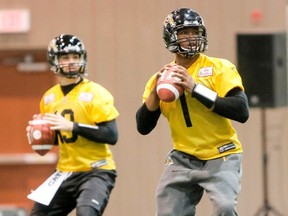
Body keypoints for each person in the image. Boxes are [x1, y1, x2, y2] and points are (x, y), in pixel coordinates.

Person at [136, 8, 249, 216]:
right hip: (183, 156)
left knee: (224, 207)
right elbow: (143, 127)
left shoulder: (219, 68)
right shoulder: (160, 78)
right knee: (168, 212)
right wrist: (154, 93)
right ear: (171, 36)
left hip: (221, 153)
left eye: (194, 31)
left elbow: (242, 110)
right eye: (184, 32)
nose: (191, 37)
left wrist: (195, 89)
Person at [27, 34, 119, 216]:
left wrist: (73, 126)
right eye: (66, 57)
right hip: (65, 171)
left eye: (75, 57)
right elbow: (61, 138)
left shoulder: (96, 93)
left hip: (96, 171)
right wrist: (38, 134)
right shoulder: (49, 97)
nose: (71, 62)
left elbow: (111, 135)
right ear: (54, 60)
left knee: (86, 213)